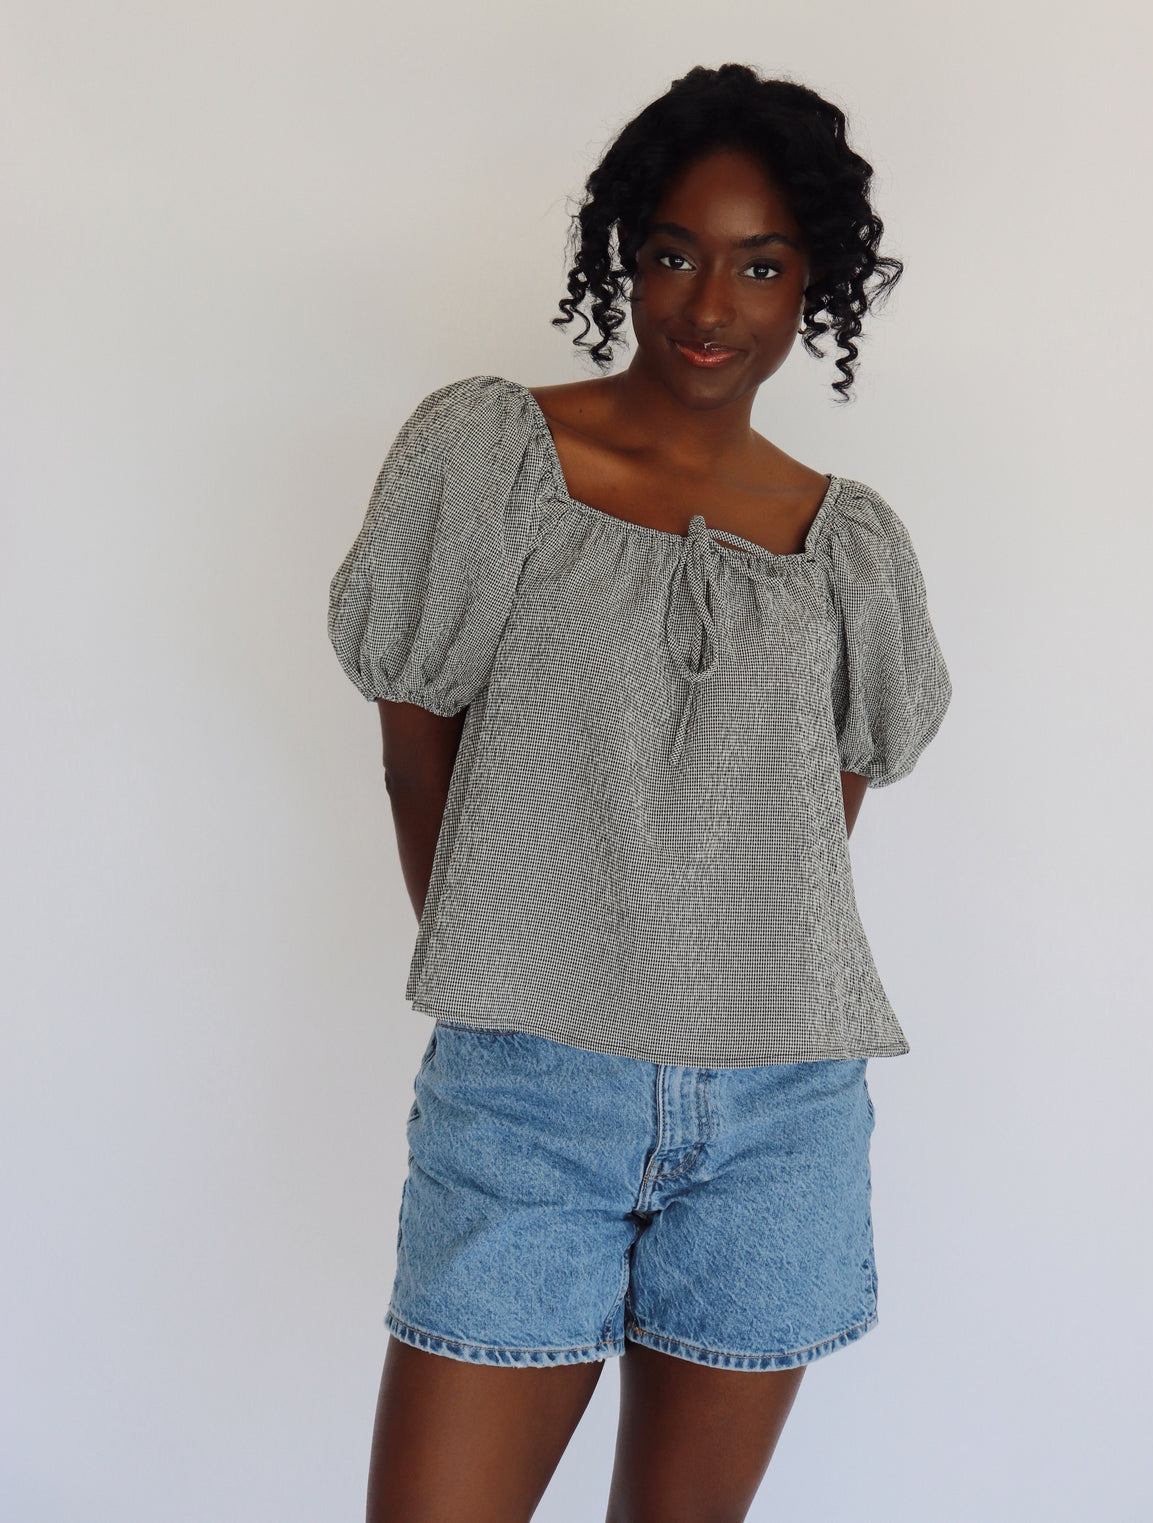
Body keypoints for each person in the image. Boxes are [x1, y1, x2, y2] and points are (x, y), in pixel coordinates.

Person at [328, 61, 952, 1523]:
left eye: (760, 264)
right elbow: (415, 734)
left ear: (816, 285)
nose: (709, 307)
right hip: (531, 1092)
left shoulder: (848, 546)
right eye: (673, 253)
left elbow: (818, 816)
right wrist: (523, 954)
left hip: (781, 1108)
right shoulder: (495, 457)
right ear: (625, 253)